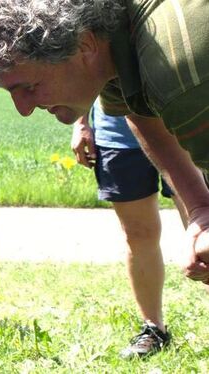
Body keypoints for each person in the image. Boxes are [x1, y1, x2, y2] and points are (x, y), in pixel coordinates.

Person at [0, 0, 209, 284]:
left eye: (30, 87)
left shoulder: (182, 77)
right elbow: (135, 108)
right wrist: (199, 206)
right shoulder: (110, 41)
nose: (23, 110)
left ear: (84, 45)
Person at [72, 102, 188, 358]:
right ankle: (153, 329)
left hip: (182, 126)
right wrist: (81, 123)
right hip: (117, 134)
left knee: (201, 230)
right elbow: (82, 64)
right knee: (137, 234)